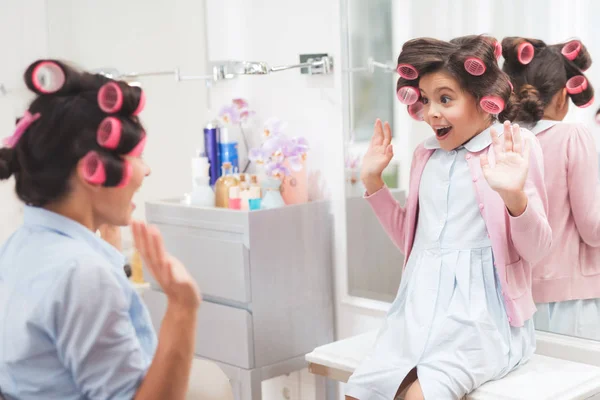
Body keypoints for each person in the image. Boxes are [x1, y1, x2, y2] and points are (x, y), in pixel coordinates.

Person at [346, 35, 552, 400]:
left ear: (483, 99)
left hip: (480, 322)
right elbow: (414, 244)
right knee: (362, 391)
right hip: (416, 313)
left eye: (445, 98)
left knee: (418, 396)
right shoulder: (425, 156)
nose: (431, 113)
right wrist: (373, 183)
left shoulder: (513, 147)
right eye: (425, 100)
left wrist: (514, 198)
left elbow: (538, 250)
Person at [0, 60, 200, 399]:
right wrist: (183, 309)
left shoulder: (19, 244)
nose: (145, 170)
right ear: (92, 169)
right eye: (135, 156)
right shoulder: (82, 275)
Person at [502, 37, 600, 340]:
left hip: (515, 302)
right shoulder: (572, 136)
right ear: (561, 97)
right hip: (571, 302)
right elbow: (594, 229)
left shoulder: (502, 141)